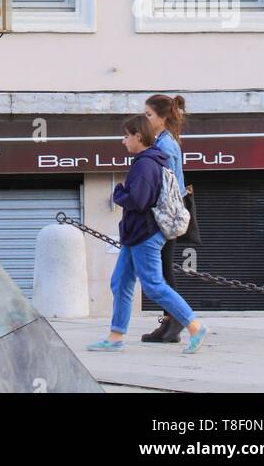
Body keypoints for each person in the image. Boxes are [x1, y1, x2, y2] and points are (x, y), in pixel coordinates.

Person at [87, 115, 207, 355]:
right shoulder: (150, 161)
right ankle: (115, 336)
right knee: (120, 282)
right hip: (136, 234)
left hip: (145, 234)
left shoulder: (145, 164)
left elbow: (139, 201)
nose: (123, 141)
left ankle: (194, 326)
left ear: (138, 136)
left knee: (153, 285)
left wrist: (118, 193)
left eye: (126, 135)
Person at [141, 93, 188, 343]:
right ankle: (169, 323)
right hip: (165, 213)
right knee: (161, 269)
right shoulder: (162, 141)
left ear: (162, 117)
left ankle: (177, 319)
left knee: (165, 270)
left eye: (148, 115)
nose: (145, 119)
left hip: (165, 215)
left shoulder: (165, 145)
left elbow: (167, 185)